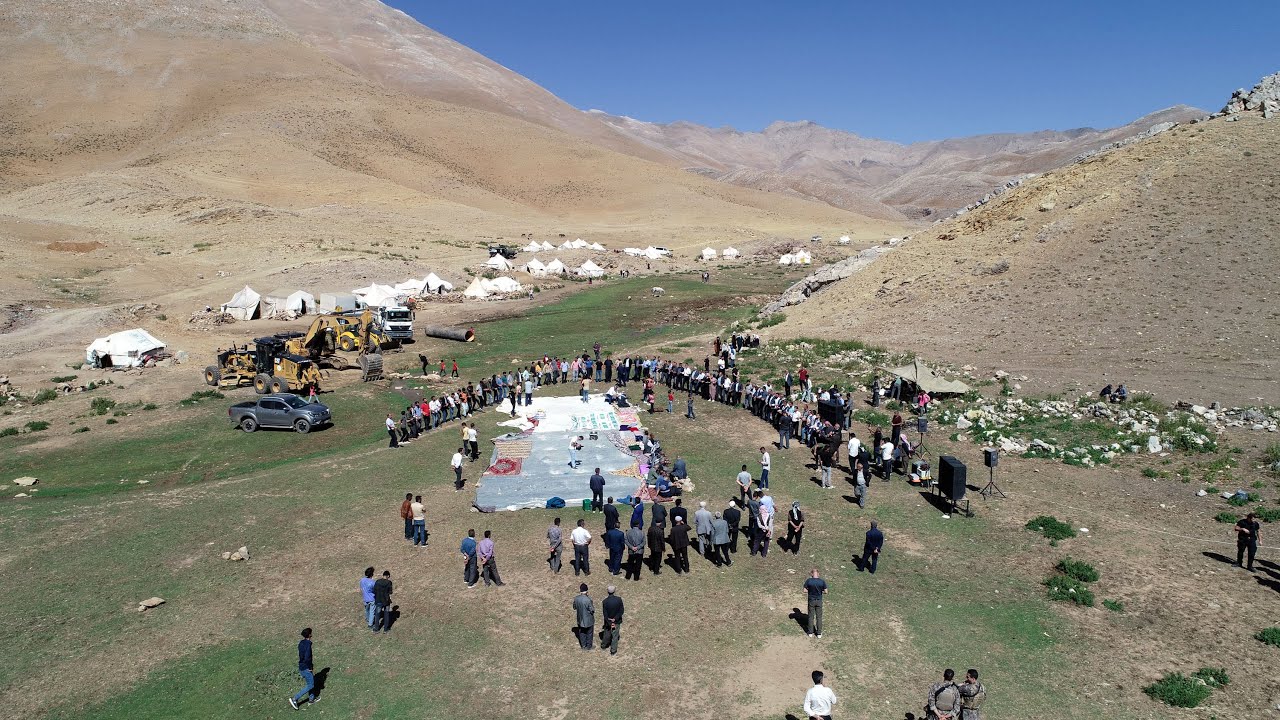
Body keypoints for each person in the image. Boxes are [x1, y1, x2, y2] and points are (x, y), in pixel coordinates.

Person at [289, 628, 318, 709]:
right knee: (311, 685)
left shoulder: (301, 643)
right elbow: (307, 658)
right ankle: (294, 699)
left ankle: (311, 699)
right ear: (309, 635)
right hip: (306, 667)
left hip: (301, 666)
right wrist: (309, 667)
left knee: (310, 682)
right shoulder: (308, 645)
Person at [803, 568, 827, 638]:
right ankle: (819, 633)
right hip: (819, 600)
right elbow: (826, 591)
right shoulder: (822, 581)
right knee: (819, 617)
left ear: (812, 574)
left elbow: (804, 590)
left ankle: (810, 632)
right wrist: (820, 592)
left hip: (811, 600)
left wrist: (810, 591)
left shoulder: (809, 581)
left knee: (811, 616)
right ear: (818, 574)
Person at [601, 585, 624, 655]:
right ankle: (613, 650)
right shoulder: (619, 599)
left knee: (606, 634)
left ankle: (604, 646)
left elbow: (605, 614)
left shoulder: (605, 601)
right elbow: (621, 610)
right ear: (614, 591)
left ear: (607, 592)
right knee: (615, 636)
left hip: (608, 621)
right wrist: (615, 619)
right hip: (616, 621)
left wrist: (609, 621)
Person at [572, 583, 595, 650]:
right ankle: (589, 646)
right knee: (589, 633)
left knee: (582, 632)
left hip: (580, 619)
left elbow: (574, 607)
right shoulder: (588, 599)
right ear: (587, 591)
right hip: (588, 620)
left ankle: (583, 645)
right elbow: (592, 610)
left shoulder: (576, 598)